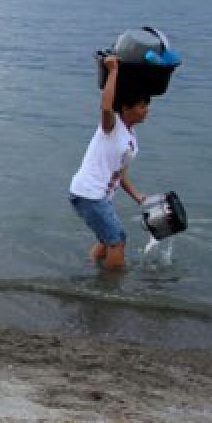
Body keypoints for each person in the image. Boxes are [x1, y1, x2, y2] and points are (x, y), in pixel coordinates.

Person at [69, 55, 151, 270]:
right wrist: (113, 71)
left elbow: (121, 174)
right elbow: (106, 106)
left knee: (109, 239)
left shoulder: (131, 138)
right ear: (125, 108)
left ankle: (90, 272)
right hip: (89, 193)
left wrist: (137, 196)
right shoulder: (111, 127)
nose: (146, 110)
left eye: (146, 106)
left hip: (97, 196)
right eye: (141, 106)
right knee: (117, 241)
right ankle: (111, 289)